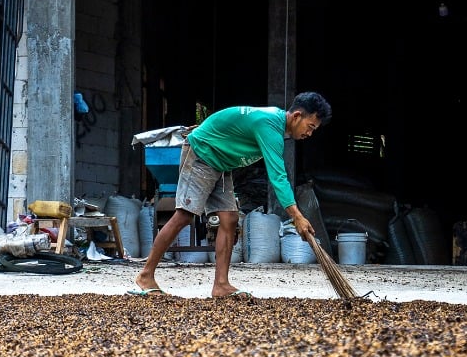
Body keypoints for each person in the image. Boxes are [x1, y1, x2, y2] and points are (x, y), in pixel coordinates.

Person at [131, 92, 331, 298]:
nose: (310, 133)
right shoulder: (270, 125)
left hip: (221, 163)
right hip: (202, 152)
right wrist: (297, 217)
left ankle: (221, 285)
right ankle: (146, 276)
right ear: (297, 116)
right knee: (184, 215)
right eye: (310, 126)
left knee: (229, 219)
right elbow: (278, 177)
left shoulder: (276, 126)